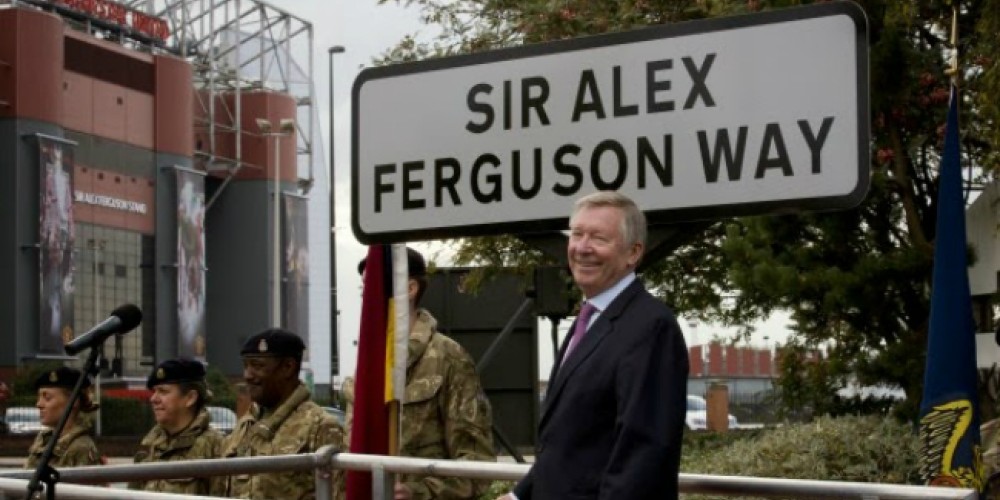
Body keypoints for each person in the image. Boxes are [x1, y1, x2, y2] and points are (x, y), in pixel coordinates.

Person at [500, 191, 689, 500]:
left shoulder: (651, 326)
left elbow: (642, 459)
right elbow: (570, 442)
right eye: (576, 234)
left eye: (599, 238)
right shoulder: (589, 320)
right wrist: (519, 495)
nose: (582, 248)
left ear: (633, 253)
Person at [345, 247, 496, 500]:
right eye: (364, 291)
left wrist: (419, 492)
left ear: (410, 289)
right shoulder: (369, 365)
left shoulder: (448, 357)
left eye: (374, 291)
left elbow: (477, 465)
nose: (367, 301)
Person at [222, 328, 345, 500]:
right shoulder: (246, 424)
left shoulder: (321, 427)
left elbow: (338, 493)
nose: (247, 375)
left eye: (257, 366)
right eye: (246, 366)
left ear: (287, 367)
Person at [130, 358, 225, 495]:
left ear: (190, 398)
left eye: (163, 391)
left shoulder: (215, 447)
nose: (153, 399)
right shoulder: (150, 445)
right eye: (154, 391)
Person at [25, 367, 102, 469]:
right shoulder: (43, 440)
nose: (39, 404)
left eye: (47, 398)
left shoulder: (81, 448)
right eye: (39, 397)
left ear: (73, 401)